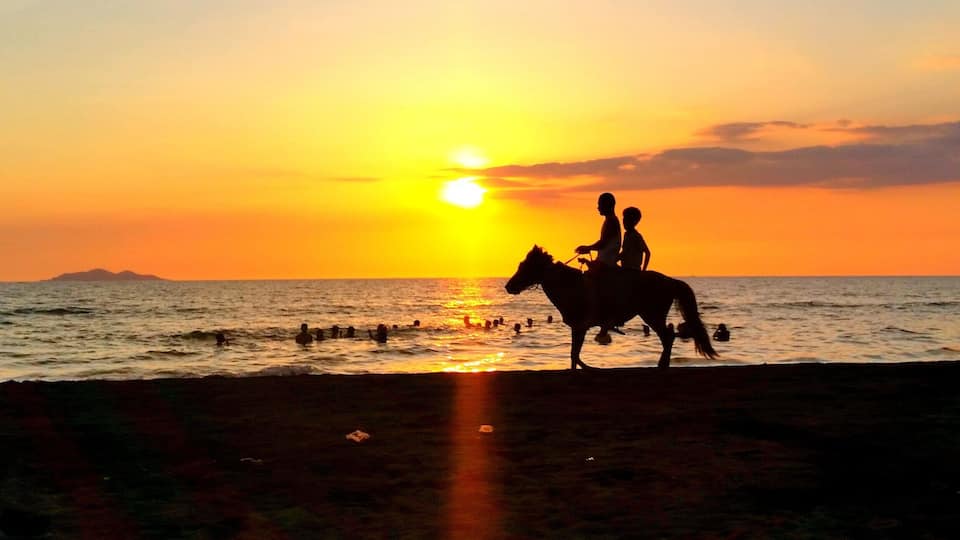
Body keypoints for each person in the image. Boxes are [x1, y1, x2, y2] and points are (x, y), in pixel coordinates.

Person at [575, 192, 622, 343]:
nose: (597, 207)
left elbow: (603, 243)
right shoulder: (610, 220)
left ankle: (599, 315)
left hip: (607, 261)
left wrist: (587, 247)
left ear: (608, 205)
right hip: (604, 259)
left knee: (589, 283)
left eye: (600, 204)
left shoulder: (611, 221)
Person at [619, 206, 650, 271]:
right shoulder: (626, 235)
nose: (624, 222)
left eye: (627, 220)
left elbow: (647, 252)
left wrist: (644, 270)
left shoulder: (636, 236)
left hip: (633, 270)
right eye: (624, 219)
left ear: (634, 222)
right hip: (625, 269)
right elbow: (624, 252)